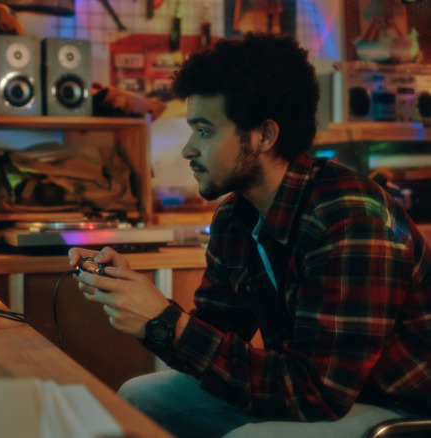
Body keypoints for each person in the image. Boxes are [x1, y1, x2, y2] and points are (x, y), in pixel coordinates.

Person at [69, 32, 431, 438]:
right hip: (321, 396)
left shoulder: (351, 219)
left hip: (399, 410)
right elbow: (215, 339)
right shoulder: (236, 215)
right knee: (140, 397)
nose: (188, 149)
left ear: (264, 136)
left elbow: (318, 393)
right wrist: (139, 298)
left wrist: (164, 321)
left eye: (204, 131)